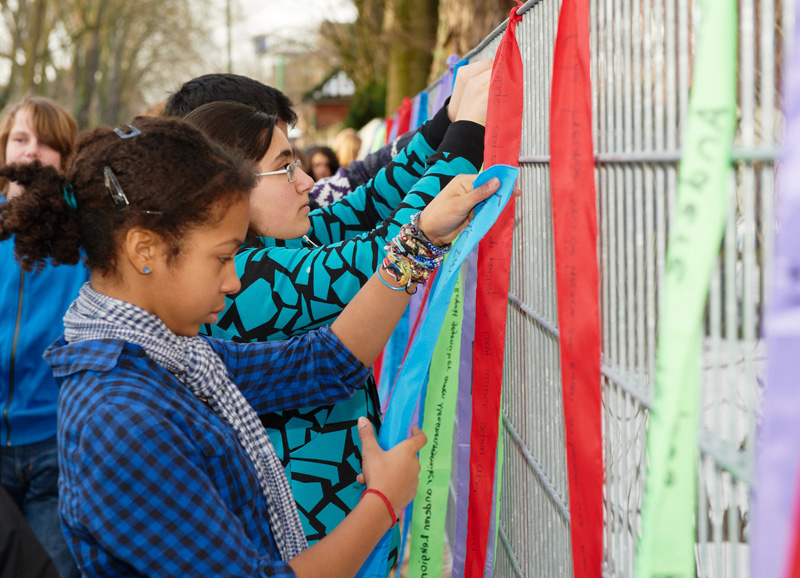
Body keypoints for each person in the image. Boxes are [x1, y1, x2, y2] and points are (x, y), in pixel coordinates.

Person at [0, 115, 507, 577]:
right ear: (145, 249)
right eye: (223, 257)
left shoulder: (169, 355)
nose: (234, 281)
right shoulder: (122, 416)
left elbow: (320, 363)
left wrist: (418, 242)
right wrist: (383, 500)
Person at [183, 60, 492, 573]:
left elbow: (369, 207)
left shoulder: (269, 242)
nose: (307, 181)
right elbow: (377, 257)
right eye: (285, 167)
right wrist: (468, 137)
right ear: (226, 186)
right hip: (314, 536)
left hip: (342, 514)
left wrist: (447, 122)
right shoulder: (244, 275)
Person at [0, 97, 84, 578]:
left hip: (58, 444)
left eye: (49, 144)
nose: (33, 152)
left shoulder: (85, 231)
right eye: (21, 138)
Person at [163, 72, 416, 208]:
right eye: (284, 167)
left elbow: (356, 188)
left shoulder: (290, 217)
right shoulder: (252, 270)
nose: (308, 182)